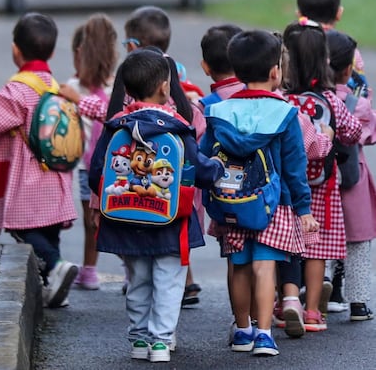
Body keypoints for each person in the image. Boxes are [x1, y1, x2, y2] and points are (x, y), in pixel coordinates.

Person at [88, 48, 225, 362]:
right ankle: (161, 342)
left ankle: (138, 340)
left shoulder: (116, 127)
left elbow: (98, 173)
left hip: (126, 219)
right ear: (166, 87)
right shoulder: (176, 127)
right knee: (168, 280)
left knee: (137, 279)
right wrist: (216, 167)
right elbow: (199, 170)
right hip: (170, 221)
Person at [200, 29, 319, 356]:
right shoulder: (283, 113)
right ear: (275, 72)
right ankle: (264, 334)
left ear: (236, 72)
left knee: (238, 266)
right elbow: (295, 165)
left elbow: (204, 157)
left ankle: (242, 330)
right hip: (273, 203)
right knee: (265, 266)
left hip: (230, 203)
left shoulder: (219, 113)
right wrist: (303, 207)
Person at [0, 12, 78, 308]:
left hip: (27, 176)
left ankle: (54, 267)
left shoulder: (18, 89)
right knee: (48, 229)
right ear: (52, 51)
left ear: (16, 49)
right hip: (53, 172)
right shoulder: (53, 84)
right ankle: (53, 283)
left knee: (25, 230)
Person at [107, 5, 205, 305]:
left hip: (135, 174)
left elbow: (112, 121)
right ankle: (183, 282)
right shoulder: (176, 74)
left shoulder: (130, 78)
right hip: (172, 175)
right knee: (172, 234)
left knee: (136, 223)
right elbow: (194, 125)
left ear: (134, 45)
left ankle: (136, 281)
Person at [281, 18, 362, 331]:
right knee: (318, 248)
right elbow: (353, 132)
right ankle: (313, 311)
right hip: (323, 186)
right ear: (324, 62)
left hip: (288, 189)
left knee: (286, 245)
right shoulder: (331, 100)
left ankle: (283, 302)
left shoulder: (283, 99)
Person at [196, 23, 246, 338]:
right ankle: (264, 323)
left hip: (226, 198)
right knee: (264, 259)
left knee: (235, 259)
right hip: (264, 196)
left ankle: (241, 326)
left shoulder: (206, 107)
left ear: (205, 67)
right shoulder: (264, 100)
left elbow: (199, 153)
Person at [65, 14, 118, 290]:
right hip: (115, 162)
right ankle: (98, 270)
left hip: (90, 164)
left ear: (79, 53)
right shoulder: (116, 87)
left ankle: (89, 269)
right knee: (114, 216)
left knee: (92, 221)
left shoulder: (73, 89)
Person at [327, 29, 376, 321]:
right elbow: (369, 136)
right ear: (349, 70)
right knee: (357, 241)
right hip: (352, 178)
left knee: (319, 238)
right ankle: (358, 303)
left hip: (318, 180)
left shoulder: (310, 101)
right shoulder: (358, 105)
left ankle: (320, 290)